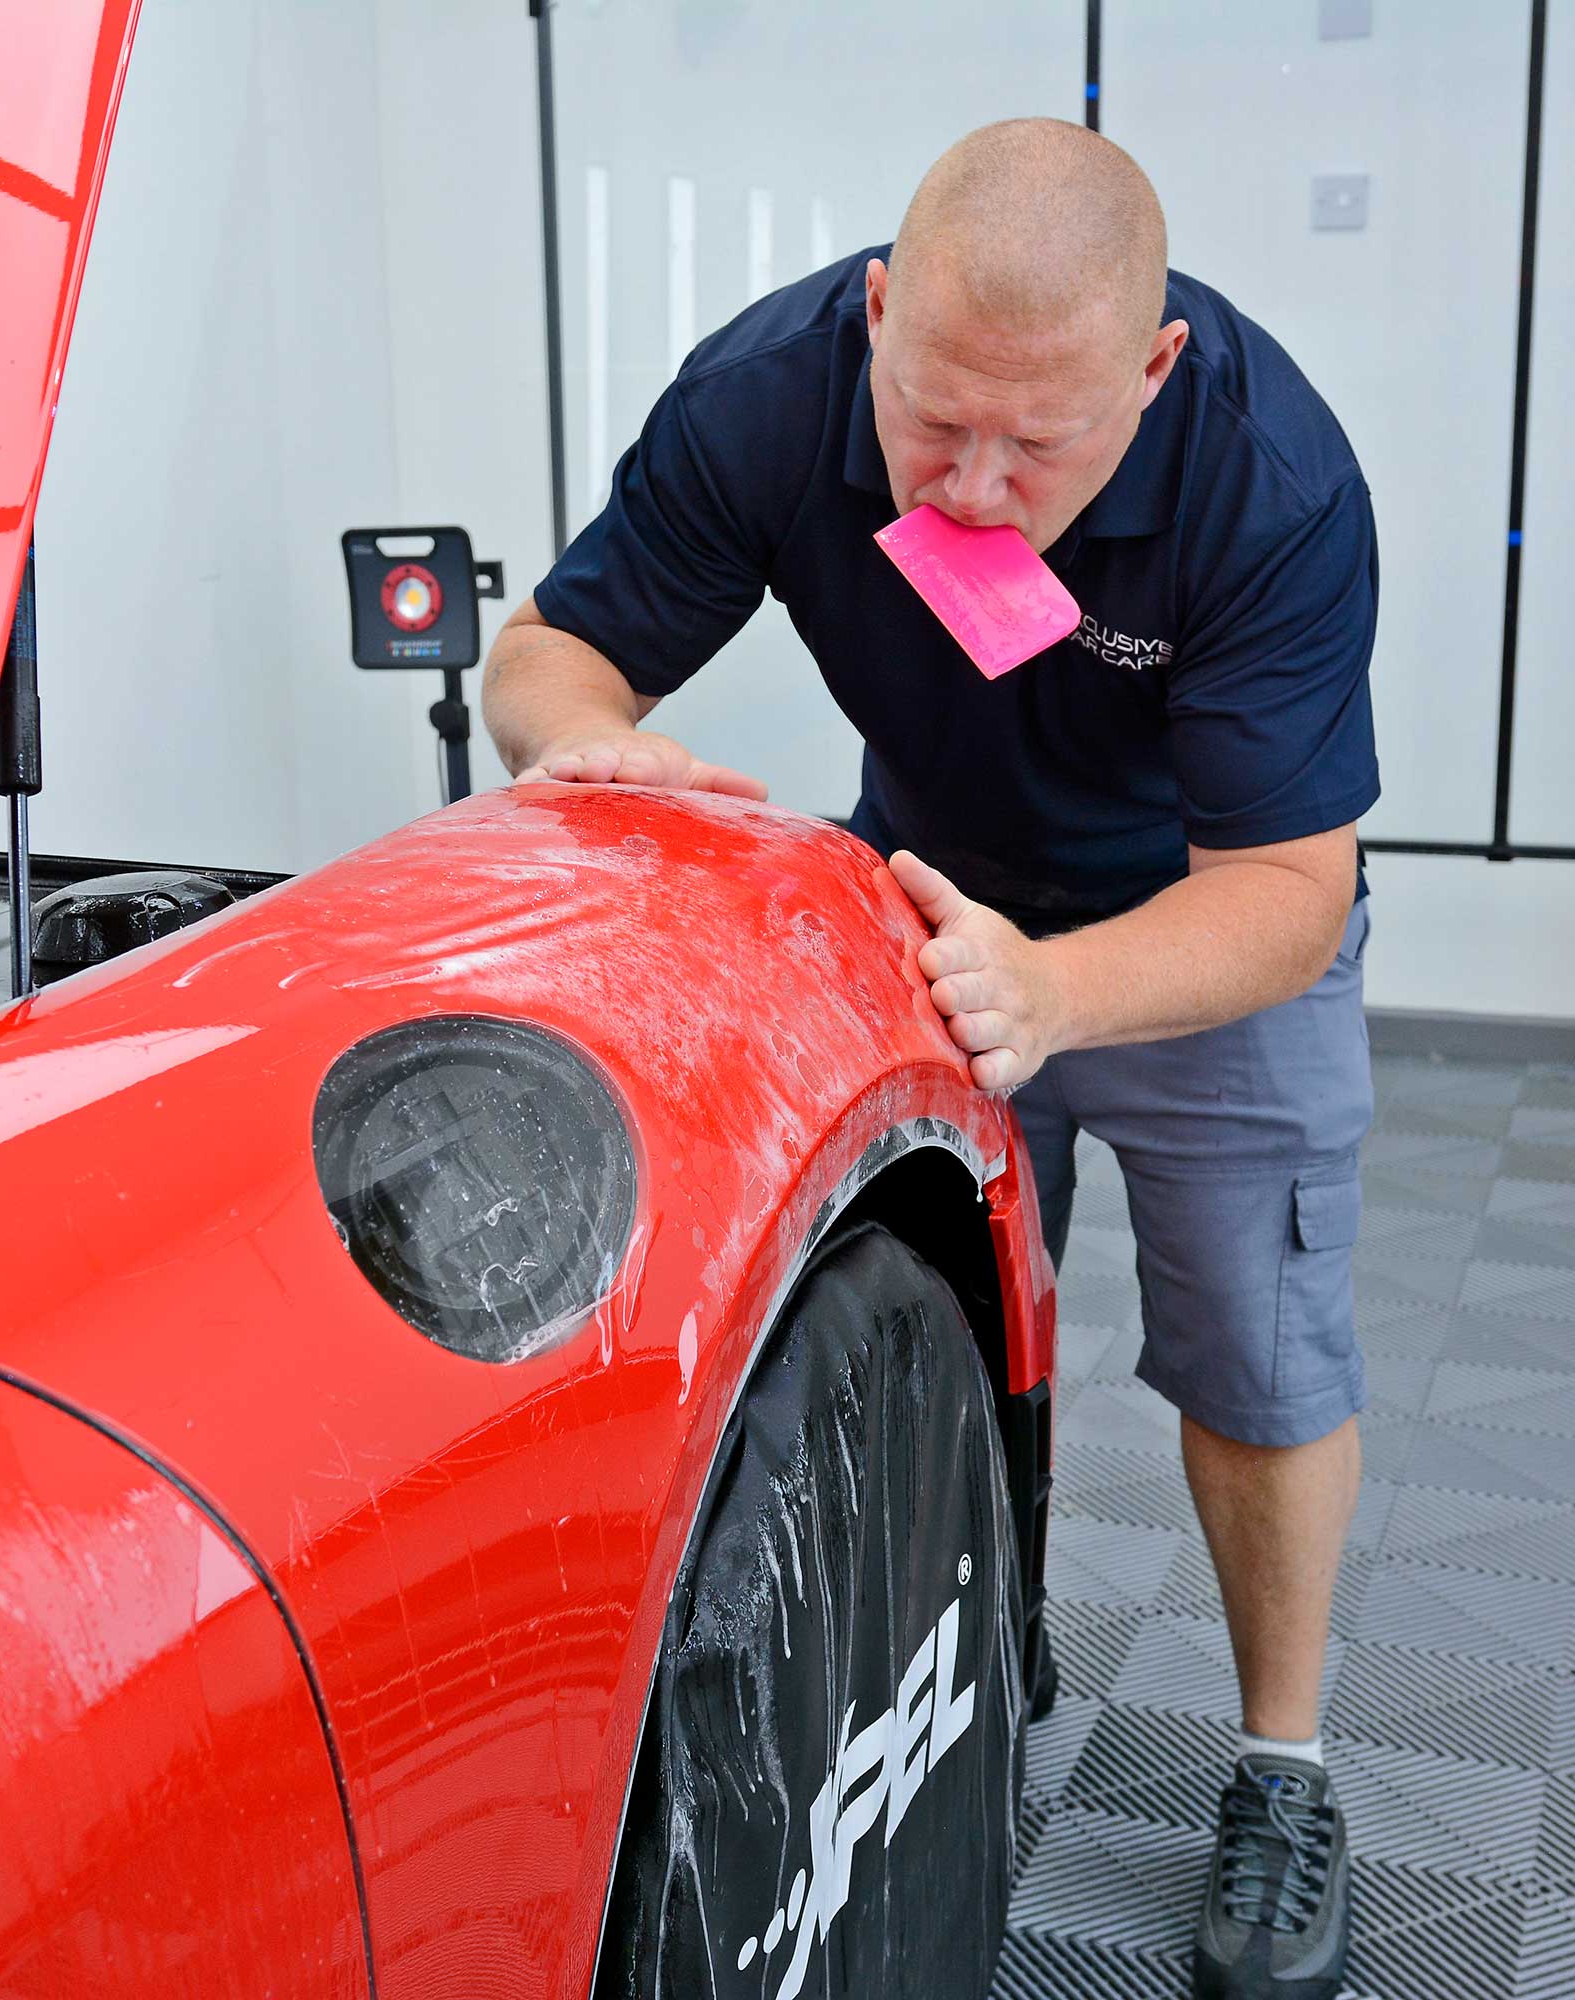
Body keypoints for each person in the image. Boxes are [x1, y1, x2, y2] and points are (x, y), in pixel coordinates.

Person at [483, 116, 1378, 2000]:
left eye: (1034, 444)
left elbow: (1293, 887)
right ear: (879, 315)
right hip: (934, 899)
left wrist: (1057, 993)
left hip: (1198, 936)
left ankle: (1286, 1769)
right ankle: (982, 1648)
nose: (970, 486)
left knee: (1258, 1349)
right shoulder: (770, 395)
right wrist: (583, 748)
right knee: (947, 1320)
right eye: (929, 420)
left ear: (1152, 372)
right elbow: (551, 653)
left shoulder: (1270, 480)